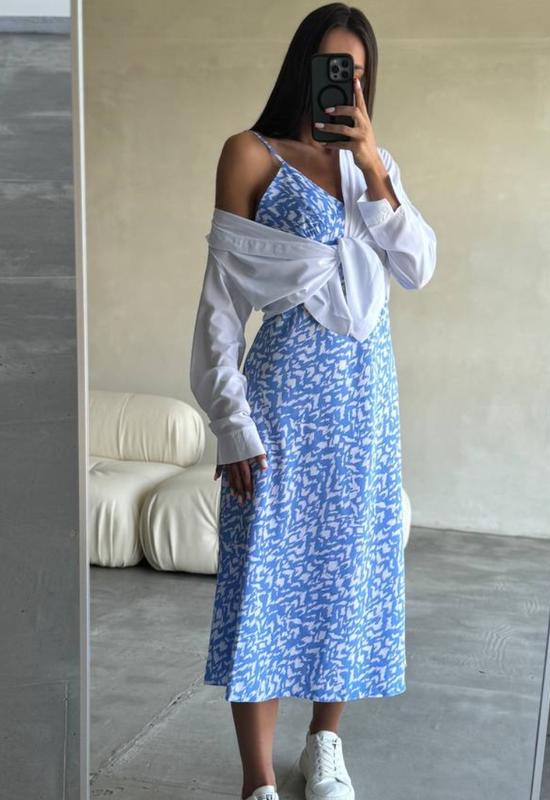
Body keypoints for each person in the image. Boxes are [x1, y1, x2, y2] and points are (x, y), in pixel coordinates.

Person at [189, 5, 436, 799]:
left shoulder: (377, 166)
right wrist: (232, 424)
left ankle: (324, 745)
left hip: (366, 405)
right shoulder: (249, 154)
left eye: (358, 73)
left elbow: (418, 268)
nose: (346, 84)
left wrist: (373, 168)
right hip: (283, 402)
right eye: (334, 67)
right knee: (263, 575)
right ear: (303, 66)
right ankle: (257, 779)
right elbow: (221, 306)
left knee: (350, 570)